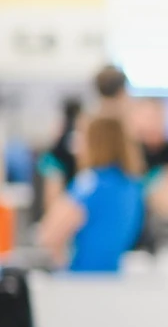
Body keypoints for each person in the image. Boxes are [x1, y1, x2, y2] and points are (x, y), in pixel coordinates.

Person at [36, 115, 145, 273]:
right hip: (112, 278)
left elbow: (49, 235)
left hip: (81, 280)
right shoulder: (132, 186)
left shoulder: (90, 182)